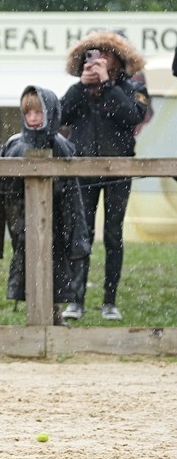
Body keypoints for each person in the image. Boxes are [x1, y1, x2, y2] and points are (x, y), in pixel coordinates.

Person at [0, 86, 90, 324]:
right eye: (28, 113)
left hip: (56, 221)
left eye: (38, 113)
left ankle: (53, 313)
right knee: (27, 265)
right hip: (21, 221)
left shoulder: (61, 145)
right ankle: (35, 315)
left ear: (50, 113)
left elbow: (72, 193)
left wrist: (74, 231)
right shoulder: (14, 145)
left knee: (55, 265)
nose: (33, 118)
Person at [59, 30, 149, 321]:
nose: (97, 59)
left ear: (118, 58)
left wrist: (109, 85)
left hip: (119, 169)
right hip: (83, 170)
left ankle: (109, 301)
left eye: (105, 53)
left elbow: (134, 115)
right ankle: (76, 300)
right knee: (81, 234)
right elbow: (58, 117)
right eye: (93, 53)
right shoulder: (80, 89)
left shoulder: (132, 86)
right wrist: (80, 87)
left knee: (113, 234)